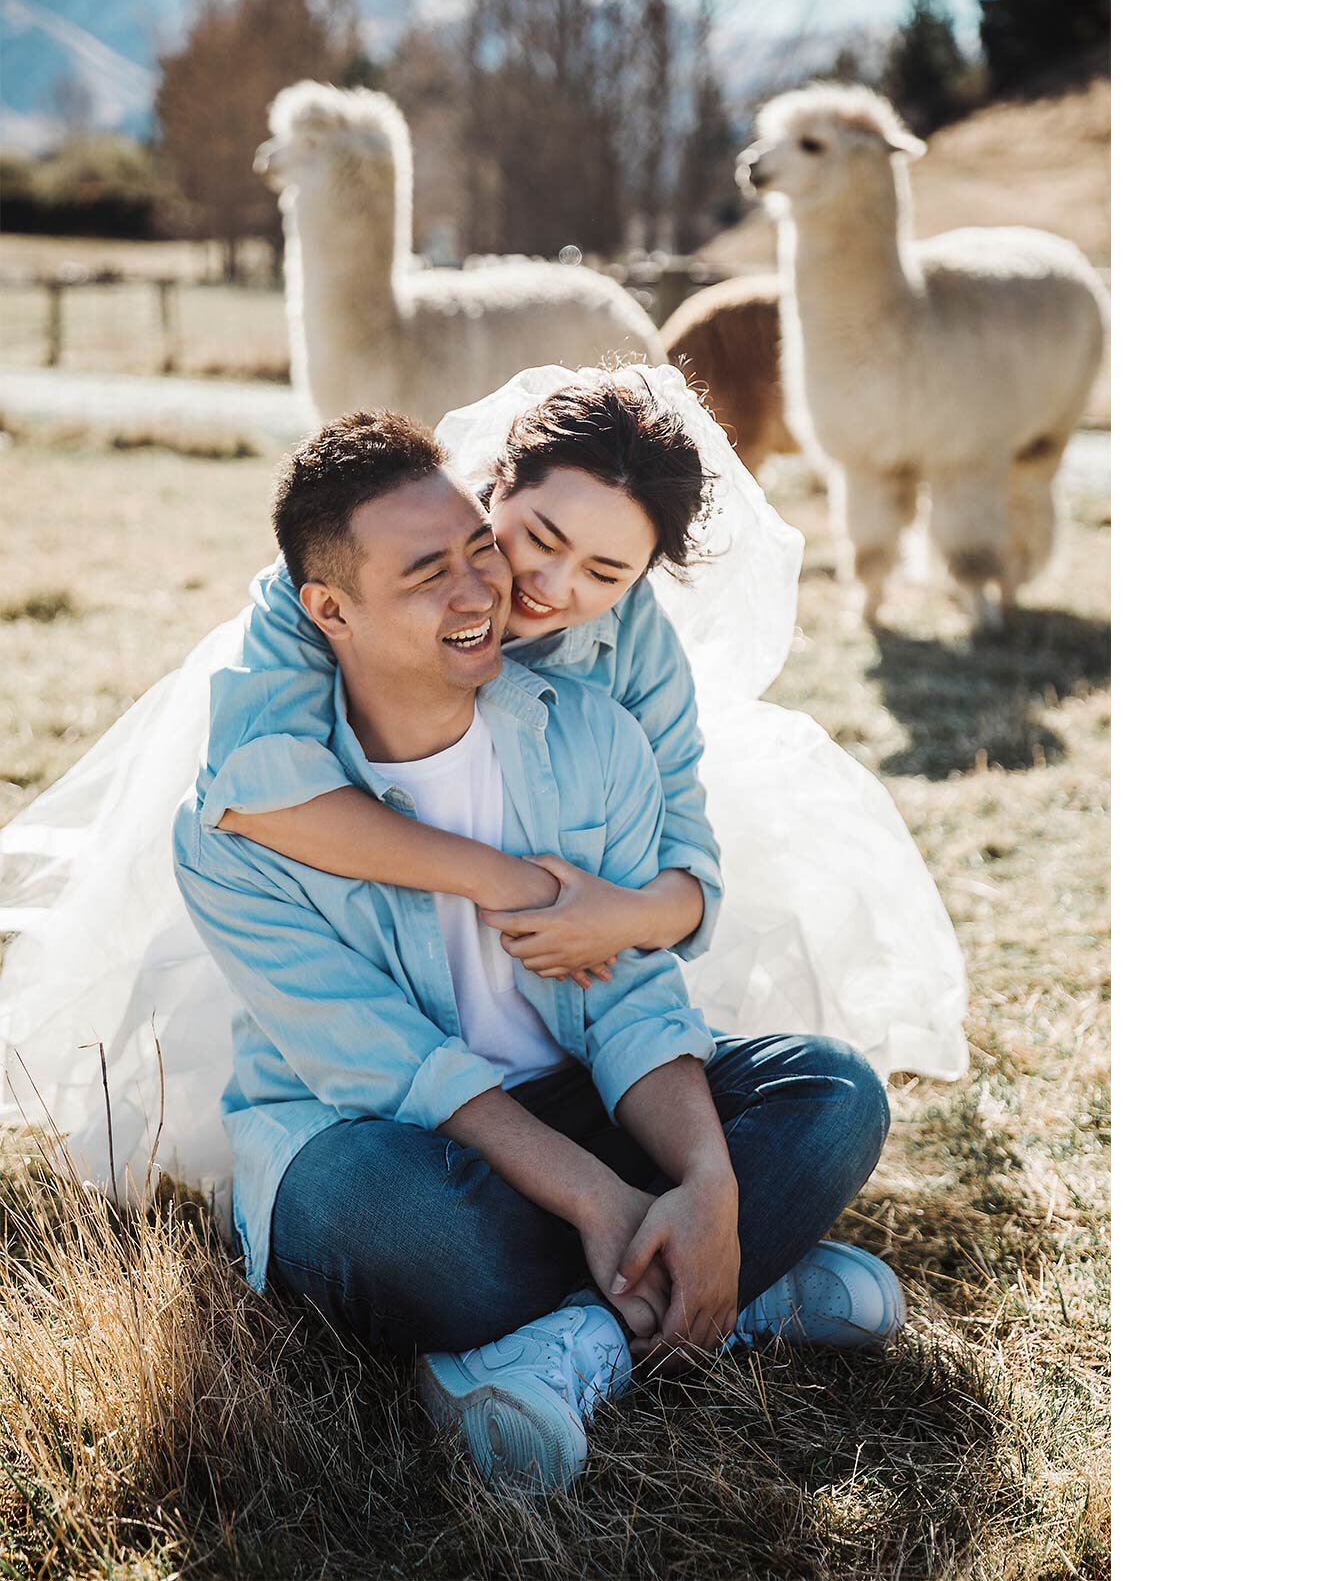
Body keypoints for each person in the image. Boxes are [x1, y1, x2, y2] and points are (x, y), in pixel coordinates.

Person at [0, 364, 968, 1214]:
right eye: (535, 537)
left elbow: (688, 869)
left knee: (824, 1092)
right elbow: (259, 793)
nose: (549, 585)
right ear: (492, 486)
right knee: (393, 1197)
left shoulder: (629, 659)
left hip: (578, 959)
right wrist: (508, 882)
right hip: (353, 927)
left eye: (605, 571)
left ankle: (653, 1248)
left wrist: (614, 914)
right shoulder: (342, 583)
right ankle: (680, 1251)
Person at [175, 411, 902, 1495]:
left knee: (834, 1093)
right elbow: (390, 1063)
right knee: (411, 1230)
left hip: (572, 1096)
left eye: (480, 551)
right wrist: (599, 1198)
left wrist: (708, 1181)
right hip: (382, 1135)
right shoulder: (242, 825)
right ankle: (733, 1284)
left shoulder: (594, 734)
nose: (496, 589)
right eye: (429, 571)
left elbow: (634, 994)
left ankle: (592, 1329)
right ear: (329, 610)